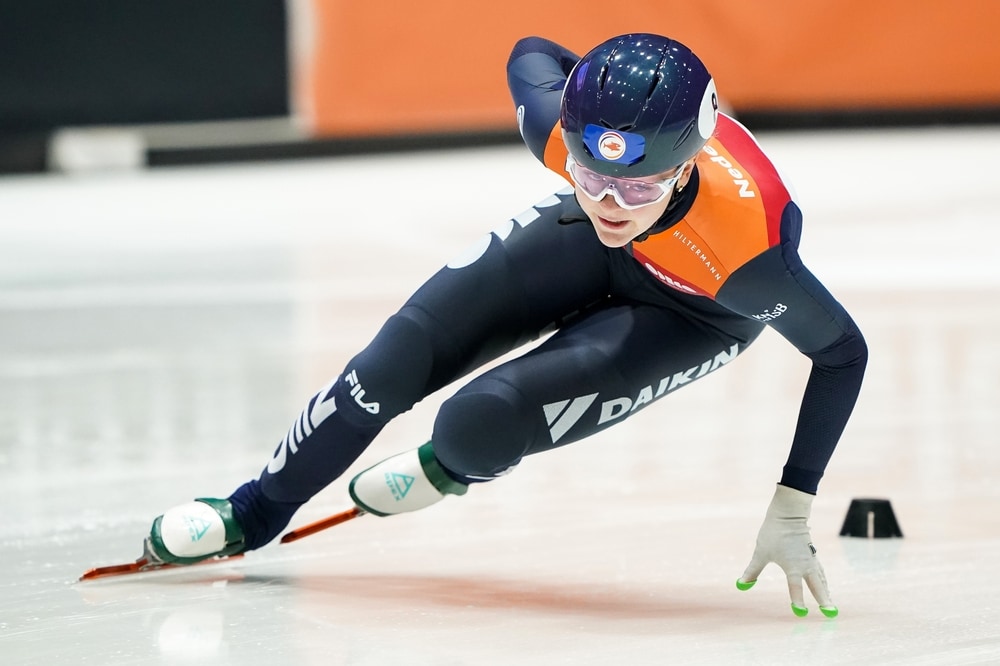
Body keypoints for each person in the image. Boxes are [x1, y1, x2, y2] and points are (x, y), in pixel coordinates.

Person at [144, 33, 867, 618]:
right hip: (578, 244)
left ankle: (447, 466)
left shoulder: (753, 257)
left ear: (686, 168)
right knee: (388, 366)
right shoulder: (558, 128)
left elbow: (843, 354)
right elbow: (534, 49)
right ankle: (253, 510)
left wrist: (793, 505)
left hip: (698, 309)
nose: (613, 204)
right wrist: (594, 129)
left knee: (477, 422)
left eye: (639, 186)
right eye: (590, 174)